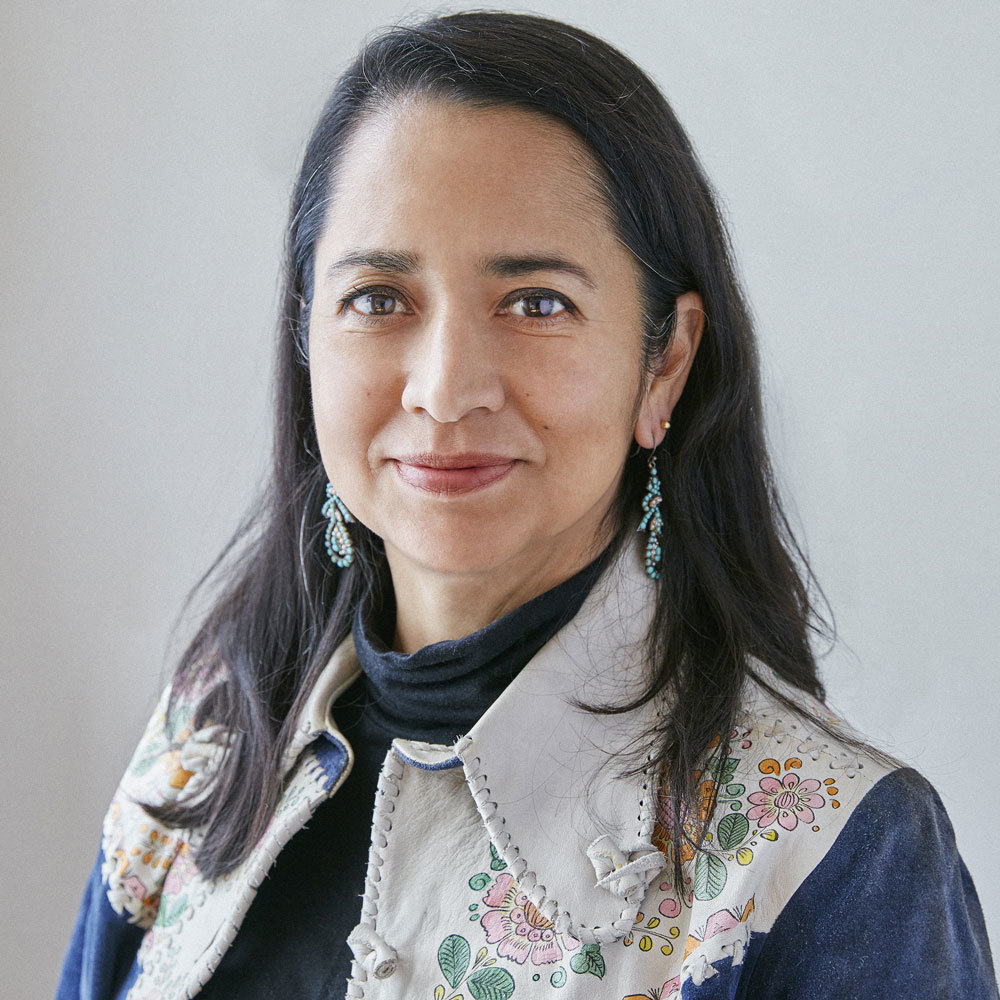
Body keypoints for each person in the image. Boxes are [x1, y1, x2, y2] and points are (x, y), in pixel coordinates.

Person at [56, 11, 996, 1000]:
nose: (445, 390)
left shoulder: (835, 854)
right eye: (377, 298)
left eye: (536, 303)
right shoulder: (207, 742)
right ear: (306, 337)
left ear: (665, 362)